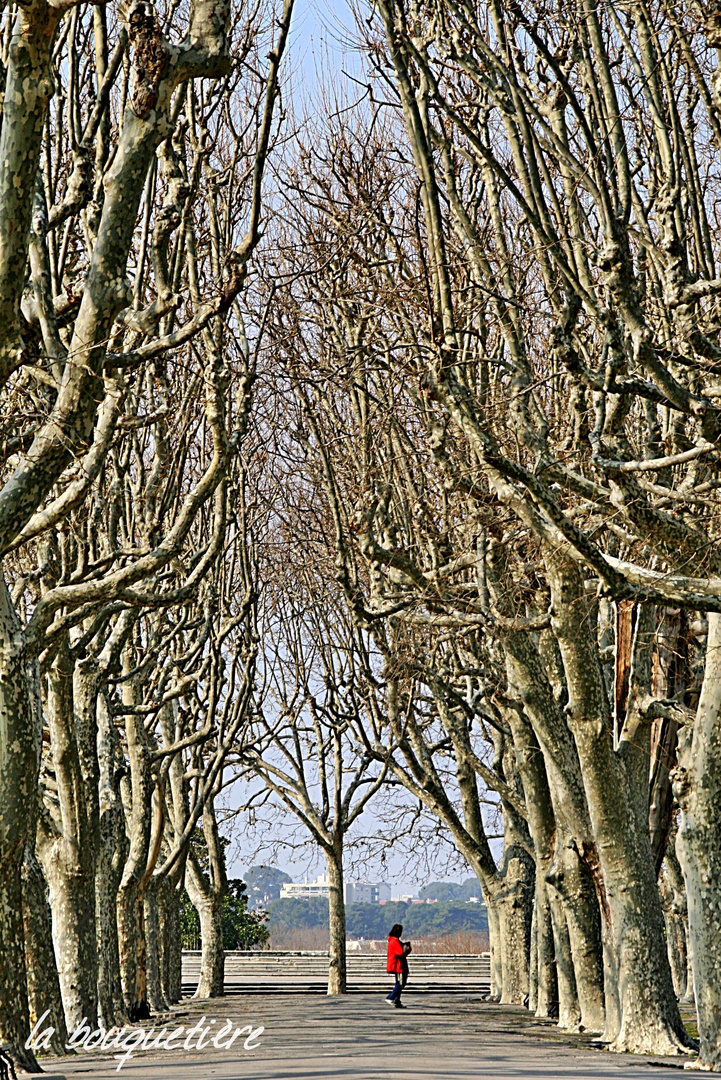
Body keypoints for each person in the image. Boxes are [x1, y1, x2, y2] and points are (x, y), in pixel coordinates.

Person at [386, 924, 406, 1008]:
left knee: (399, 983)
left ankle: (397, 1001)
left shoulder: (392, 940)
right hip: (398, 965)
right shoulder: (395, 941)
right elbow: (400, 952)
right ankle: (391, 997)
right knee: (400, 983)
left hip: (397, 964)